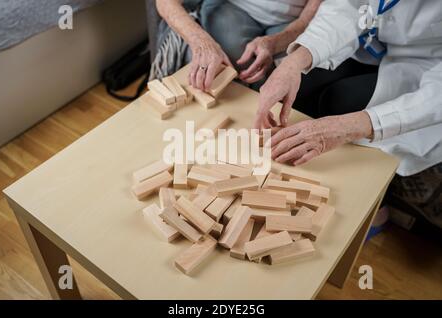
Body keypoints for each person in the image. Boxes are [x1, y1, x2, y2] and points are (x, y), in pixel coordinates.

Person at [254, 0, 442, 229]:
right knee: (302, 89)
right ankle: (283, 188)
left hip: (427, 69)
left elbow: (435, 98)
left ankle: (369, 209)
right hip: (373, 41)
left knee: (342, 102)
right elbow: (347, 5)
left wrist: (348, 127)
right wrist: (294, 62)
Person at [156, 0, 322, 92]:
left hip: (293, 21)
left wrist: (274, 43)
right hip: (235, 7)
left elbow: (307, 18)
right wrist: (203, 44)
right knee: (233, 64)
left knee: (290, 74)